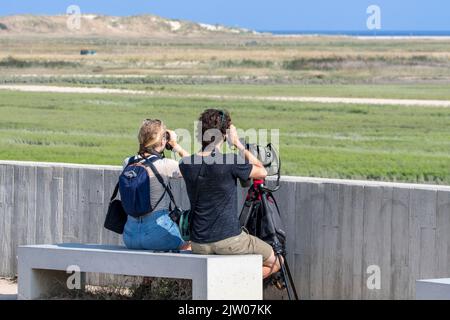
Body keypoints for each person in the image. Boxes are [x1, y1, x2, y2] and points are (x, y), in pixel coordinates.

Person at [179, 109, 283, 279]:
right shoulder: (230, 161)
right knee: (277, 261)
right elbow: (262, 171)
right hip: (229, 241)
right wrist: (237, 144)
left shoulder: (185, 164)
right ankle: (235, 284)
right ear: (224, 134)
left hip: (198, 243)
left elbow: (196, 162)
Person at [122, 119, 191, 251]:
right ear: (162, 141)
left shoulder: (128, 162)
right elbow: (195, 166)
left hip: (130, 236)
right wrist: (176, 145)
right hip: (158, 234)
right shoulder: (165, 165)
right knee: (192, 246)